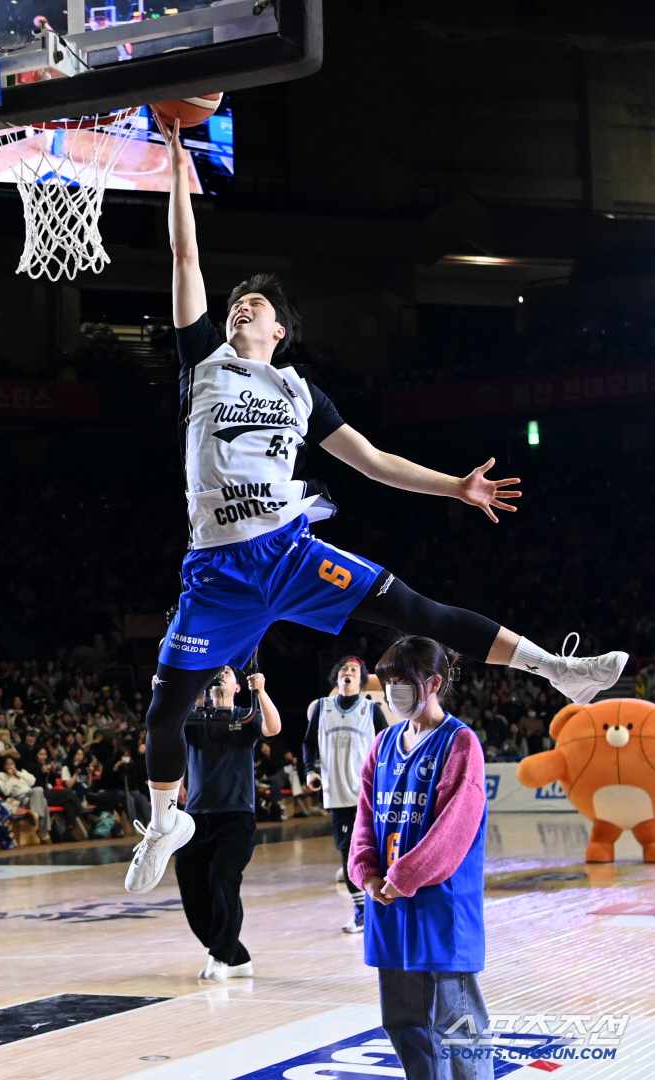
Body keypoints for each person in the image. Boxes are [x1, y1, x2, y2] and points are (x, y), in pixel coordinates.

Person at [125, 115, 629, 895]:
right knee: (164, 716)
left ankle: (558, 669)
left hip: (290, 554)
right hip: (219, 572)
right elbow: (184, 254)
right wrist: (175, 156)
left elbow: (374, 462)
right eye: (236, 304)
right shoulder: (205, 364)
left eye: (254, 305)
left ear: (282, 329)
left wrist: (455, 485)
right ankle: (166, 819)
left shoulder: (299, 393)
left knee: (419, 611)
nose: (240, 310)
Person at [348, 636, 490, 1080]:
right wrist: (366, 873)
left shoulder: (461, 743)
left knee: (457, 1030)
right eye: (387, 683)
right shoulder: (383, 744)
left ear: (432, 683)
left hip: (439, 907)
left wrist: (406, 875)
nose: (392, 693)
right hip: (388, 906)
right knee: (405, 1024)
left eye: (402, 682)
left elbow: (454, 829)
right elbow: (364, 819)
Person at [170, 666, 280, 982]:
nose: (221, 674)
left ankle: (220, 956)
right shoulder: (193, 718)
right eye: (216, 671)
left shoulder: (245, 717)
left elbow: (273, 727)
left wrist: (261, 691)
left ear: (237, 686)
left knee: (223, 878)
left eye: (228, 672)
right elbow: (162, 728)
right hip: (196, 819)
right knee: (190, 886)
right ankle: (237, 956)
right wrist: (165, 690)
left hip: (236, 818)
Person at [303, 655, 387, 933]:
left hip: (368, 795)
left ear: (362, 680)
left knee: (375, 851)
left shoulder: (371, 710)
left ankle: (382, 907)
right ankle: (361, 910)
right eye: (343, 669)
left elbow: (386, 749)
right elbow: (308, 745)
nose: (347, 673)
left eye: (354, 669)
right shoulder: (322, 708)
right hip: (336, 793)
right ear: (337, 678)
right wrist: (309, 772)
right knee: (346, 852)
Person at [0, 755, 52, 842]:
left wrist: (17, 773)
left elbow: (32, 781)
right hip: (20, 799)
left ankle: (37, 819)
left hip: (31, 795)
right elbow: (6, 792)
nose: (10, 766)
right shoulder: (1, 776)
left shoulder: (21, 772)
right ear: (4, 766)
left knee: (43, 799)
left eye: (12, 764)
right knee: (39, 791)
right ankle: (43, 830)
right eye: (7, 764)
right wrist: (10, 777)